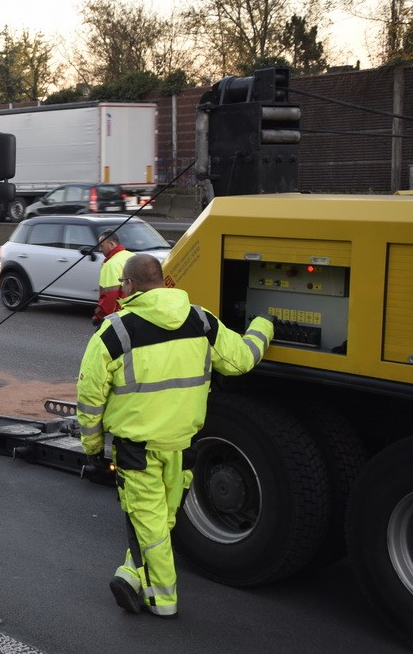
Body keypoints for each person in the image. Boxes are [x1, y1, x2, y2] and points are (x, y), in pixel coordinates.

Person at [75, 254, 274, 619]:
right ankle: (131, 574)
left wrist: (91, 450)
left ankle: (161, 600)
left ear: (130, 285)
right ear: (162, 280)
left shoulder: (114, 332)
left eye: (123, 283)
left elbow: (90, 398)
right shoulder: (201, 320)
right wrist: (264, 324)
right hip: (183, 445)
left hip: (138, 450)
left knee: (148, 521)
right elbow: (240, 360)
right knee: (159, 520)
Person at [92, 229, 133, 326]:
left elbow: (109, 295)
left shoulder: (110, 264)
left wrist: (99, 317)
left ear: (111, 244)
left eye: (102, 246)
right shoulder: (131, 256)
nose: (100, 249)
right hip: (134, 310)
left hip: (119, 315)